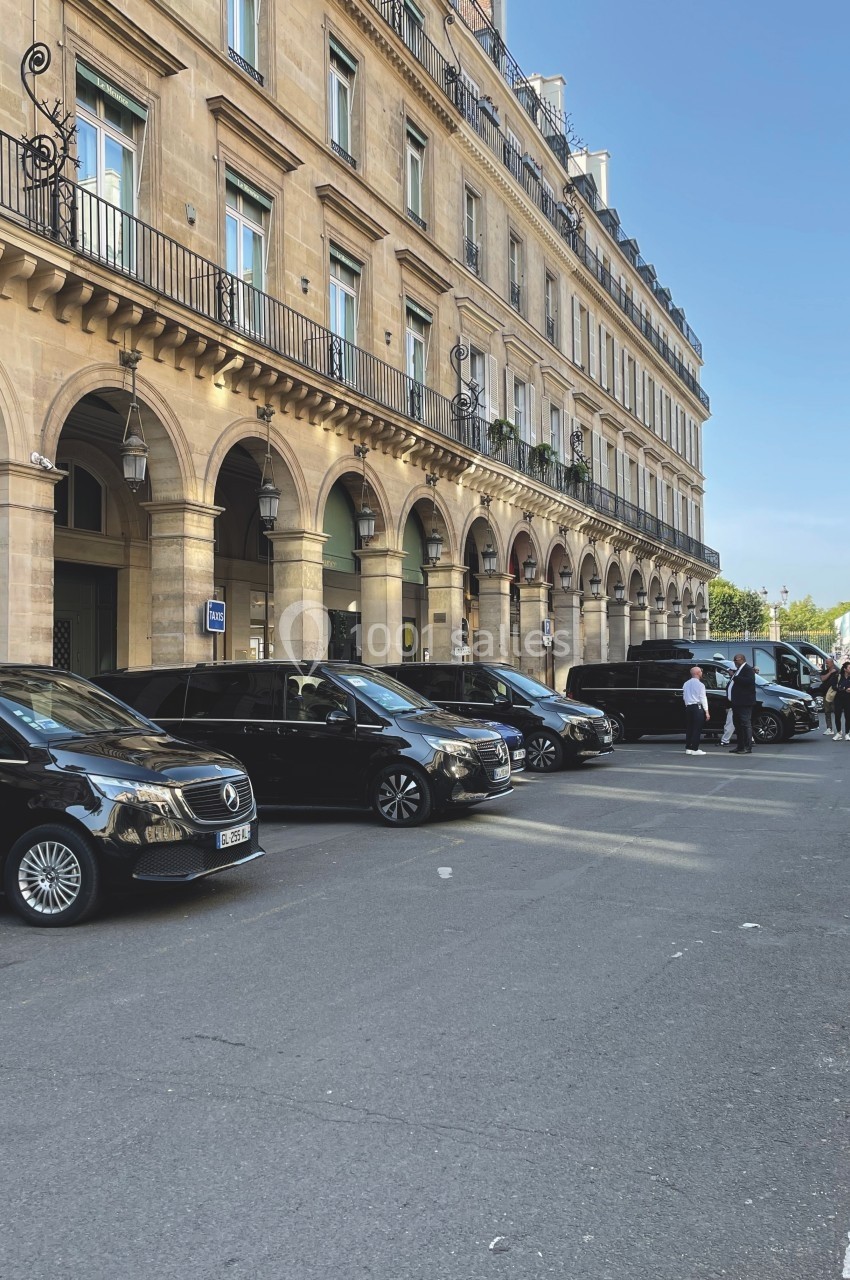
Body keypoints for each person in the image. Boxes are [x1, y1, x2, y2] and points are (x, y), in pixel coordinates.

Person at [728, 652, 756, 754]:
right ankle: (740, 746)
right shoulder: (739, 670)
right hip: (736, 703)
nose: (735, 662)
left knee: (745, 724)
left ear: (742, 660)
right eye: (734, 660)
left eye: (736, 660)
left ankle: (747, 747)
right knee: (738, 725)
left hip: (744, 702)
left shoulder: (748, 669)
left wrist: (734, 676)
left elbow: (748, 681)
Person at [682, 665, 709, 755]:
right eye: (701, 672)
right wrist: (707, 711)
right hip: (697, 707)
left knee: (689, 728)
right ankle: (695, 749)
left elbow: (684, 697)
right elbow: (703, 698)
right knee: (697, 728)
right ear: (697, 673)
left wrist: (687, 705)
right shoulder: (701, 685)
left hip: (689, 707)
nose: (702, 673)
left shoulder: (686, 683)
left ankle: (688, 747)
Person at [819, 658, 839, 735]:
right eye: (825, 663)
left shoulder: (837, 671)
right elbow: (822, 679)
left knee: (836, 712)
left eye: (827, 663)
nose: (826, 664)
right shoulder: (825, 671)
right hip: (825, 695)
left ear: (832, 663)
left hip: (834, 695)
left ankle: (838, 729)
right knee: (827, 712)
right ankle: (829, 729)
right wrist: (830, 672)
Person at [832, 661, 850, 741]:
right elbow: (833, 687)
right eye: (849, 668)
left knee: (848, 716)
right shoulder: (838, 676)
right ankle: (839, 733)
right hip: (838, 699)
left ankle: (847, 733)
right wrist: (843, 689)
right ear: (845, 669)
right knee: (837, 716)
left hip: (848, 699)